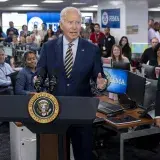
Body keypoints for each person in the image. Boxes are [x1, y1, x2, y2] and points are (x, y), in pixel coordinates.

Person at [37, 7, 107, 160]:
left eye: (78, 22)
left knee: (83, 154)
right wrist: (37, 81)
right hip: (55, 111)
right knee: (55, 154)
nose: (75, 27)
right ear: (61, 24)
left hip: (82, 112)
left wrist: (102, 84)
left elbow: (99, 77)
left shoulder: (92, 49)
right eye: (70, 22)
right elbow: (40, 74)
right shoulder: (48, 47)